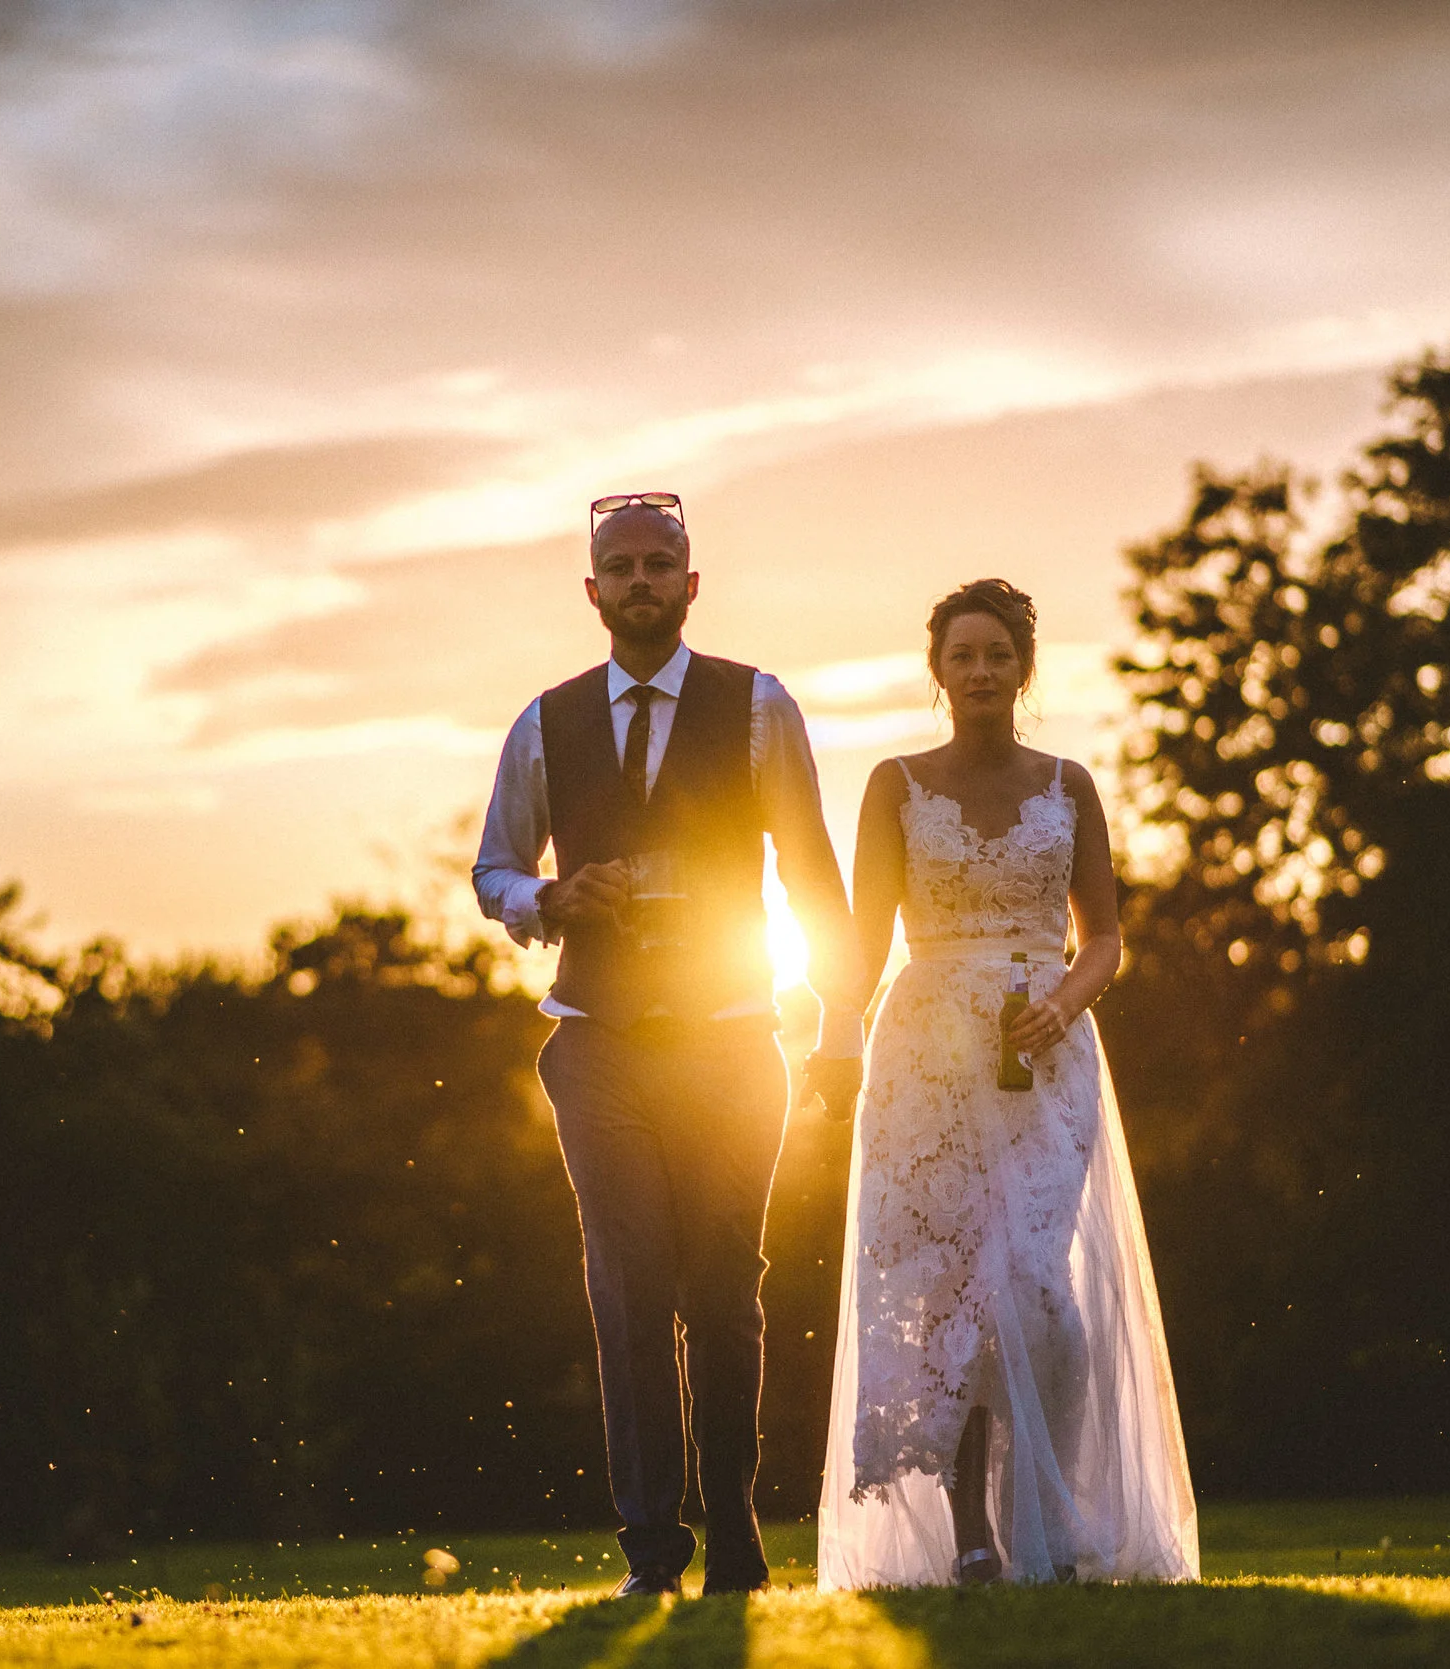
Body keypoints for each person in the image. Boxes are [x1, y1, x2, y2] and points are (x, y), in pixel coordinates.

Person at [472, 491, 864, 1596]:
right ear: (591, 590)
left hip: (734, 1039)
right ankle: (651, 1548)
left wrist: (839, 1022)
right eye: (620, 565)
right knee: (628, 1288)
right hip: (594, 1042)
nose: (640, 581)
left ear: (691, 584)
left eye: (659, 564)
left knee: (726, 1293)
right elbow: (493, 868)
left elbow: (812, 875)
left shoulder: (757, 705)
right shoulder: (545, 722)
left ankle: (733, 1523)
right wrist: (549, 898)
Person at [816, 577, 1198, 1588]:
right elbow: (860, 941)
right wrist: (827, 1038)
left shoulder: (1068, 784)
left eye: (996, 655)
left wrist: (1063, 1003)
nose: (979, 671)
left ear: (1022, 668)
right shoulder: (894, 785)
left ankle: (1050, 1508)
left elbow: (1105, 934)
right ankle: (970, 1527)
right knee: (946, 1286)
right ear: (936, 671)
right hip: (925, 1059)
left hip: (1044, 1055)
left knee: (1037, 1287)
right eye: (961, 656)